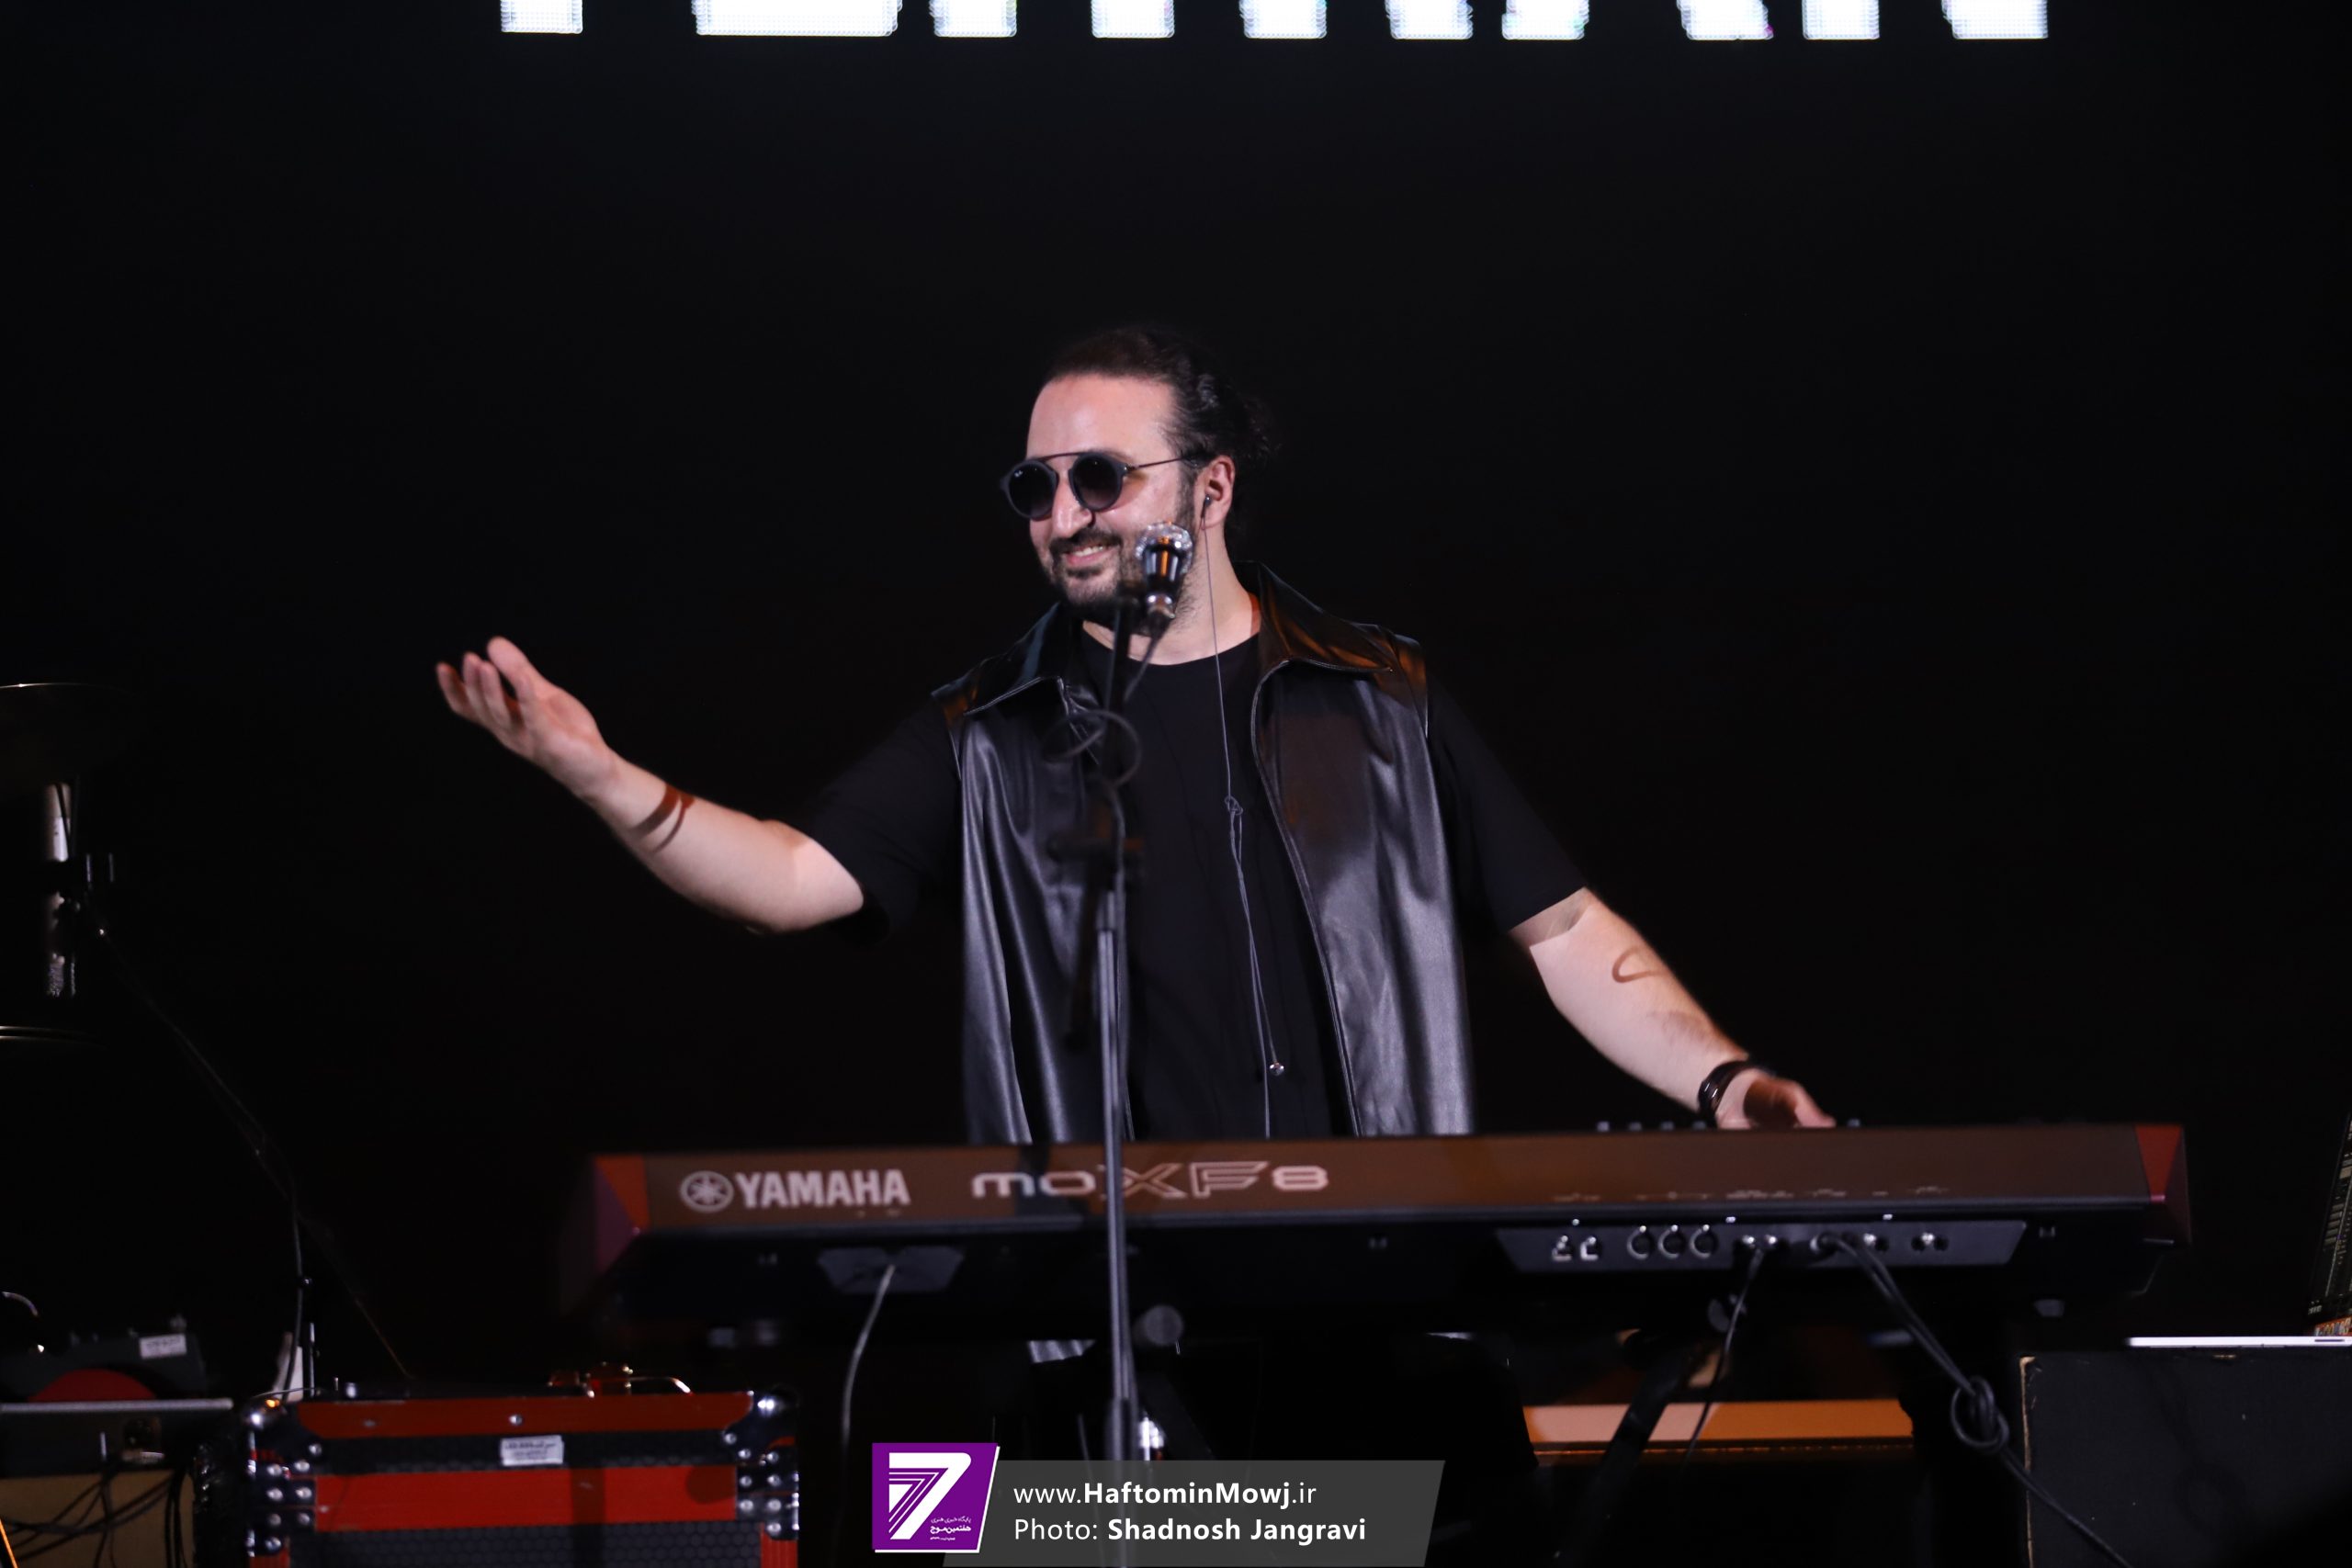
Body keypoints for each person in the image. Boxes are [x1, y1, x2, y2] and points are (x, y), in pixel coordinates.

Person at [436, 325, 1831, 1144]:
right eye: (1036, 487)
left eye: (1102, 477)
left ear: (1210, 489)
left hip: (1378, 1290)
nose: (1065, 514)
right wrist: (601, 778)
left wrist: (1725, 1081)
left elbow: (1567, 934)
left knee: (1386, 1521)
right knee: (1114, 1526)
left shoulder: (1379, 695)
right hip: (1118, 1301)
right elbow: (792, 882)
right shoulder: (992, 728)